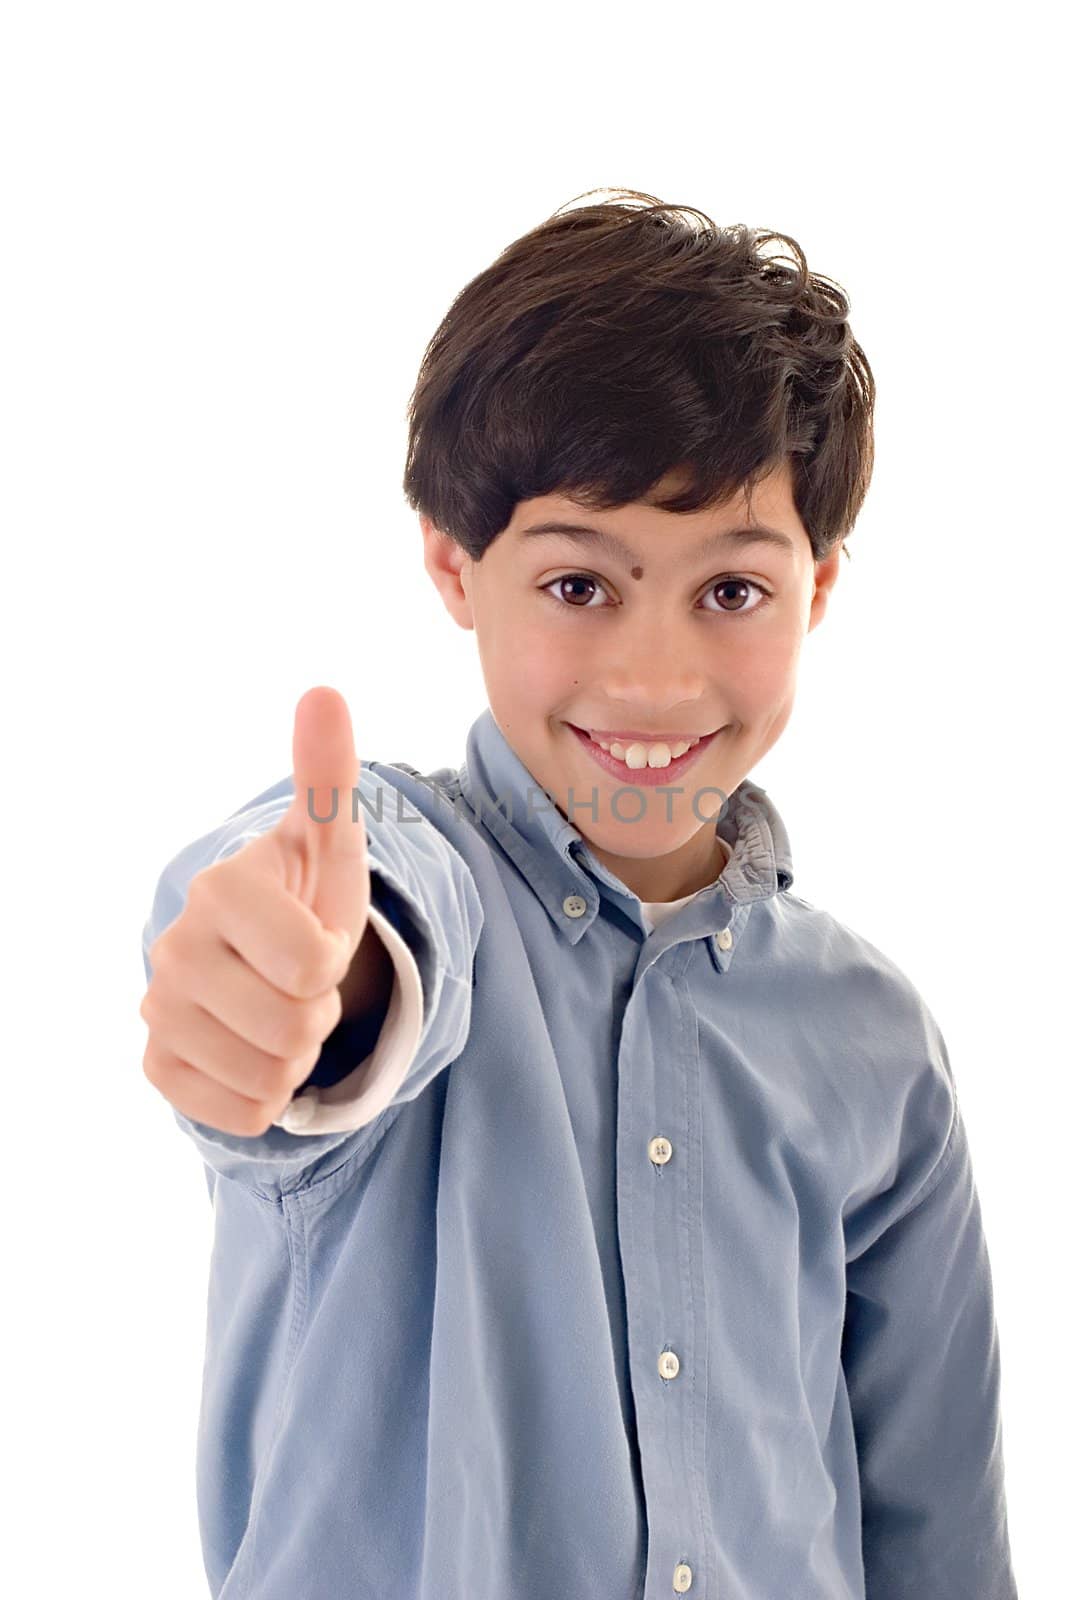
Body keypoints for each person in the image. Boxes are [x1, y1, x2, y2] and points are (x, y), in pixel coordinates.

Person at [139, 189, 1018, 1600]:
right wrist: (313, 989)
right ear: (454, 564)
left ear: (821, 589)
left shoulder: (877, 1043)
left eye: (731, 591)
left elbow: (938, 1533)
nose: (656, 680)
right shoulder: (405, 884)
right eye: (579, 585)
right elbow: (352, 930)